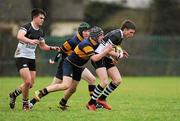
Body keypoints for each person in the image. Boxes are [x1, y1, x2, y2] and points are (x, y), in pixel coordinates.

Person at [30, 26, 113, 109]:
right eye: (101, 35)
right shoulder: (86, 44)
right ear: (95, 37)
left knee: (75, 87)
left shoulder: (96, 42)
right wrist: (55, 60)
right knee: (65, 85)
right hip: (69, 64)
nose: (103, 37)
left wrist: (118, 54)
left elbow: (107, 50)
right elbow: (95, 58)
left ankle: (63, 103)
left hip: (78, 66)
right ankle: (40, 92)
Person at [9, 8, 60, 111]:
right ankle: (25, 104)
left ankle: (13, 94)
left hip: (31, 58)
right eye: (41, 18)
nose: (42, 20)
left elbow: (42, 46)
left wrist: (52, 48)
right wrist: (30, 41)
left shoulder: (40, 32)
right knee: (27, 82)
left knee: (31, 84)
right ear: (34, 17)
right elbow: (19, 36)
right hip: (21, 56)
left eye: (44, 18)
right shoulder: (26, 27)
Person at [86, 20, 136, 111]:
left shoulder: (120, 36)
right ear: (125, 29)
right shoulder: (116, 35)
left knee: (117, 80)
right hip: (99, 56)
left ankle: (102, 99)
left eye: (133, 33)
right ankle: (91, 103)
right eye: (131, 32)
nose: (132, 35)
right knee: (104, 82)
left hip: (106, 57)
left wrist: (119, 54)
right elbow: (107, 49)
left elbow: (113, 48)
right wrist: (118, 55)